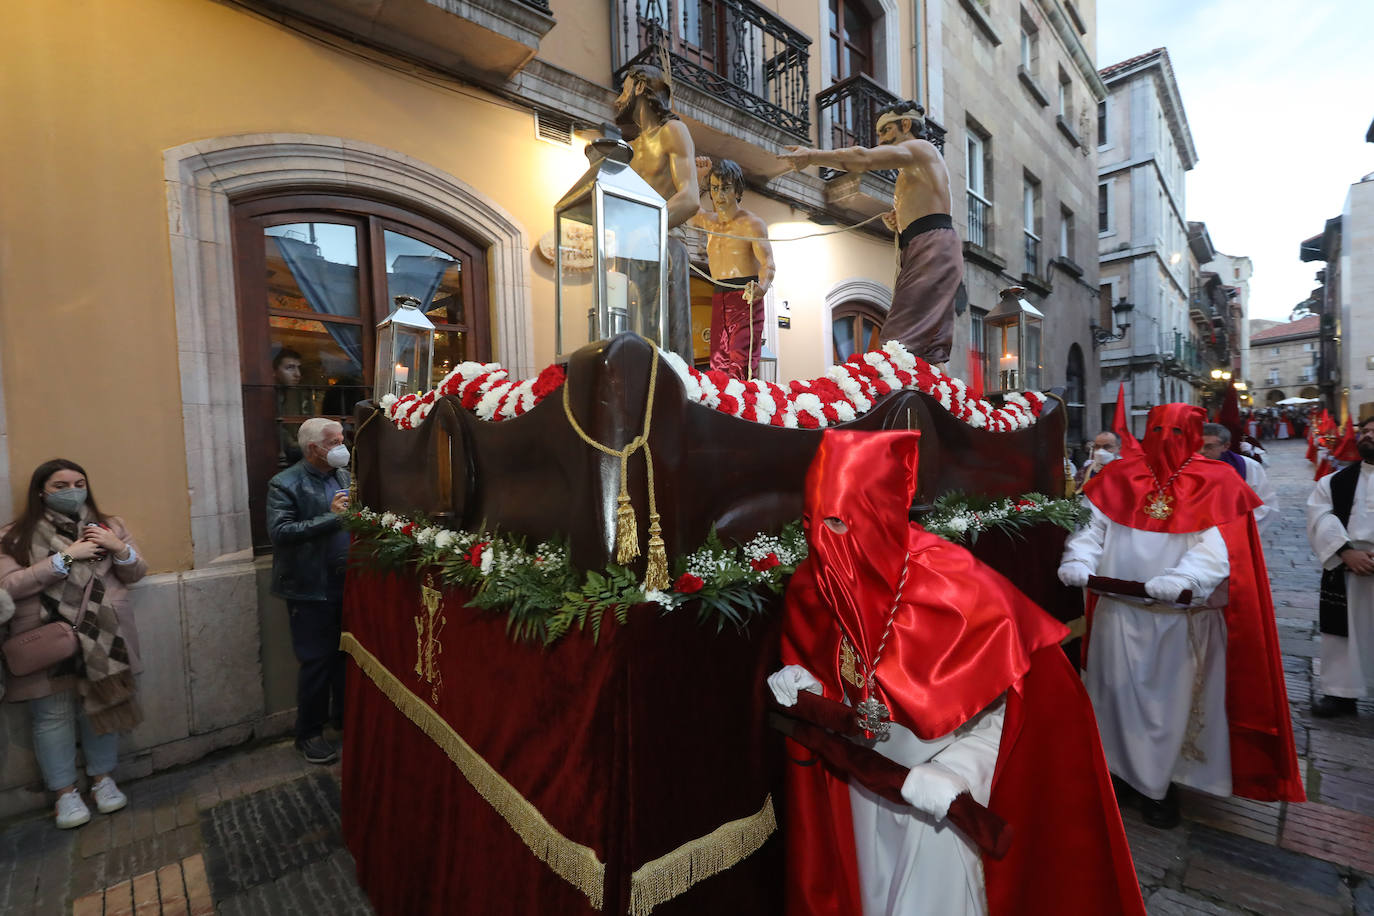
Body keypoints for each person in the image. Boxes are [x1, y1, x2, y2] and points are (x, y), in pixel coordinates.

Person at [770, 429, 1144, 916]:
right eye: (812, 522)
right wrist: (803, 684)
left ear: (883, 514)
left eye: (840, 523)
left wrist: (957, 770)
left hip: (939, 805)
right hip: (860, 783)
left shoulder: (956, 586)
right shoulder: (813, 580)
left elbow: (1018, 712)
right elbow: (839, 672)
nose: (825, 540)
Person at [1058, 404, 1304, 828]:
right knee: (1111, 696)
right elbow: (1092, 528)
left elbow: (1221, 546)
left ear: (1193, 434)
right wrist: (1078, 559)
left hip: (1181, 620)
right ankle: (1115, 773)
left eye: (1176, 430)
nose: (1165, 437)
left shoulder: (1218, 481)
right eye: (1157, 429)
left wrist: (1184, 577)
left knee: (1165, 706)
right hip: (1119, 612)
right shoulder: (1117, 476)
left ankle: (1159, 785)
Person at [0, 459, 147, 829]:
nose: (72, 490)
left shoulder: (109, 526)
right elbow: (10, 587)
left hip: (105, 637)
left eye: (79, 482)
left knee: (104, 703)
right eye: (60, 485)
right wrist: (66, 557)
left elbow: (135, 573)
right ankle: (64, 794)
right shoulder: (14, 536)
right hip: (48, 640)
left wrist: (118, 547)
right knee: (52, 717)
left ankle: (103, 780)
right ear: (41, 491)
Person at [777, 100, 960, 365]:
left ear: (906, 125)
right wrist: (899, 220)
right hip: (927, 244)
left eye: (886, 132)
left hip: (931, 245)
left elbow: (863, 158)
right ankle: (938, 397)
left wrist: (812, 156)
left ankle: (904, 399)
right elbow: (925, 207)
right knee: (926, 342)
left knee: (901, 339)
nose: (881, 141)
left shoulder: (920, 148)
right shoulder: (913, 167)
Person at [267, 418, 352, 764]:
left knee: (347, 657)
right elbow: (281, 531)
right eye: (334, 442)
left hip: (346, 583)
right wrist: (331, 517)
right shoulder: (284, 483)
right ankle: (309, 733)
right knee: (317, 661)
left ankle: (344, 717)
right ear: (313, 448)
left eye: (342, 439)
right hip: (309, 588)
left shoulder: (342, 475)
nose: (341, 447)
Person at [613, 64, 700, 361]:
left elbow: (689, 197)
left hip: (665, 245)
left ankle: (675, 395)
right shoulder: (629, 149)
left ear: (639, 87)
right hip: (630, 255)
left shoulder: (672, 131)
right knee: (632, 337)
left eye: (623, 89)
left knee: (669, 339)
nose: (618, 98)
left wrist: (644, 228)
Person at [1304, 415, 1374, 717]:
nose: (1368, 435)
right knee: (1342, 633)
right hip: (1347, 567)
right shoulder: (1333, 481)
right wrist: (1345, 552)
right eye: (1365, 431)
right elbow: (1320, 516)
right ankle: (1341, 694)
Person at [689, 157, 776, 379]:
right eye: (715, 188)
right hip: (719, 294)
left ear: (737, 190)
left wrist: (762, 287)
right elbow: (690, 210)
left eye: (726, 188)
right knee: (718, 363)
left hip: (744, 295)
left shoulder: (752, 224)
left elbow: (768, 265)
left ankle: (744, 409)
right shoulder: (709, 222)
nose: (720, 195)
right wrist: (698, 176)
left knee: (741, 364)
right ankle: (725, 407)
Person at [1201, 423, 1278, 534]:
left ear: (1226, 446)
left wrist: (1234, 526)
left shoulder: (1249, 467)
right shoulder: (1186, 466)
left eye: (1209, 446)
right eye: (1198, 445)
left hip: (1233, 532)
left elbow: (1265, 504)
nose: (1202, 451)